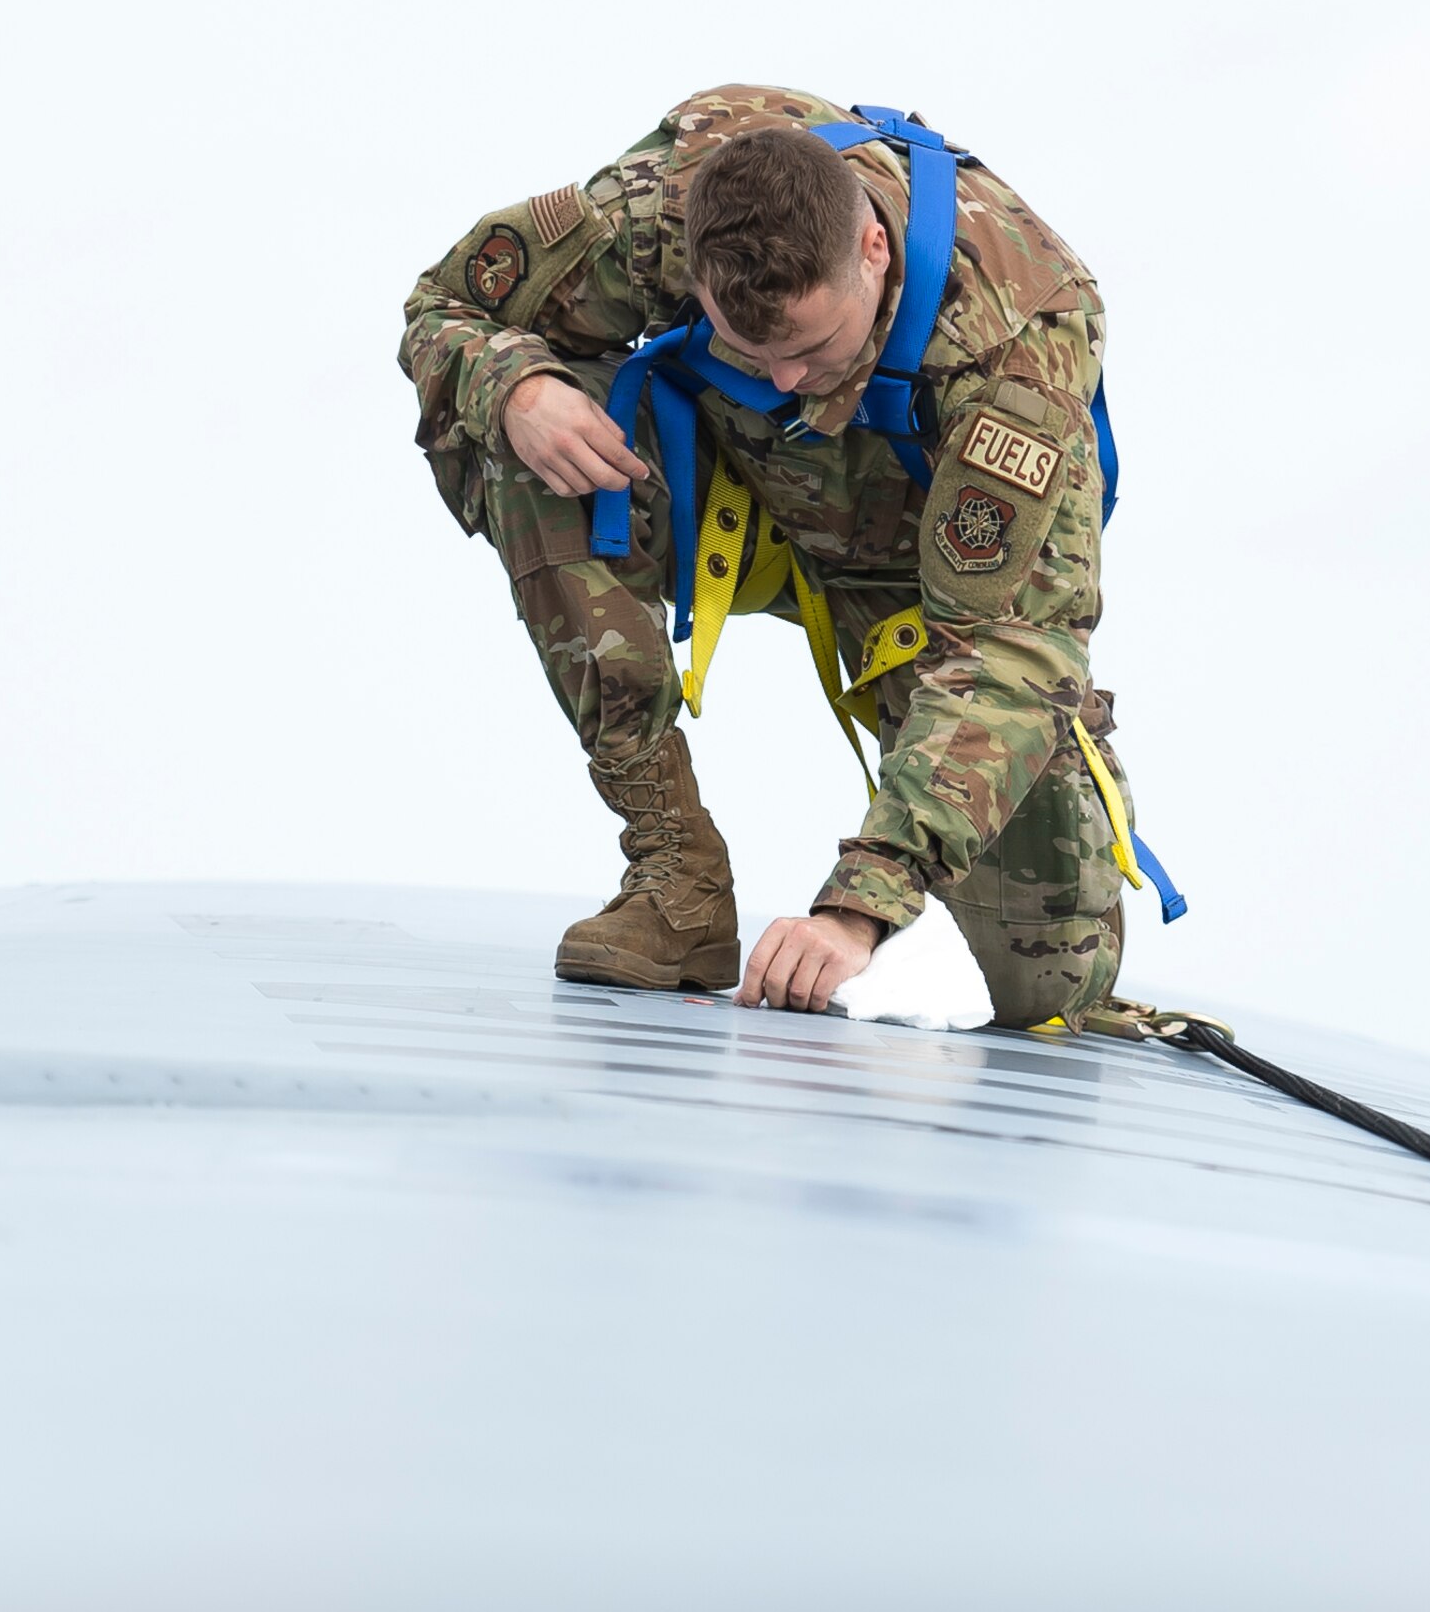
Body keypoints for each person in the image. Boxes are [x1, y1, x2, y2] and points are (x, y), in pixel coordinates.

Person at [398, 85, 1142, 1029]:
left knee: (1049, 984)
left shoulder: (1017, 338)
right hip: (734, 501)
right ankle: (675, 878)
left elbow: (1013, 649)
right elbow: (445, 303)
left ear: (874, 248)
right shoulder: (660, 209)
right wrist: (517, 386)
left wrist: (858, 906)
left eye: (812, 345)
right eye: (752, 346)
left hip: (930, 591)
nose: (788, 379)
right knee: (525, 439)